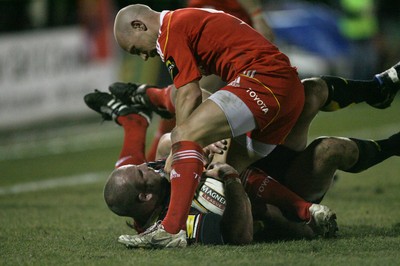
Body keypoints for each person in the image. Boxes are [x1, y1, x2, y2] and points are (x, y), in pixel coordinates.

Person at [111, 4, 400, 247]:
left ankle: (171, 229)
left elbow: (188, 92)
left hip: (263, 80)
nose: (145, 57)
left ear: (139, 25)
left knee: (183, 134)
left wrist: (181, 145)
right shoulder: (186, 20)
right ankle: (377, 93)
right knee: (233, 167)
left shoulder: (170, 31)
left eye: (138, 50)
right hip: (282, 86)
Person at [84, 89, 400, 247]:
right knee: (332, 149)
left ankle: (138, 107)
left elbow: (161, 149)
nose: (147, 167)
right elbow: (242, 235)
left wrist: (202, 143)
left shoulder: (148, 175)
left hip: (256, 159)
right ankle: (392, 146)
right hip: (275, 197)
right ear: (144, 199)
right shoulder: (177, 224)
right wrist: (231, 179)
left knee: (309, 91)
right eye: (142, 173)